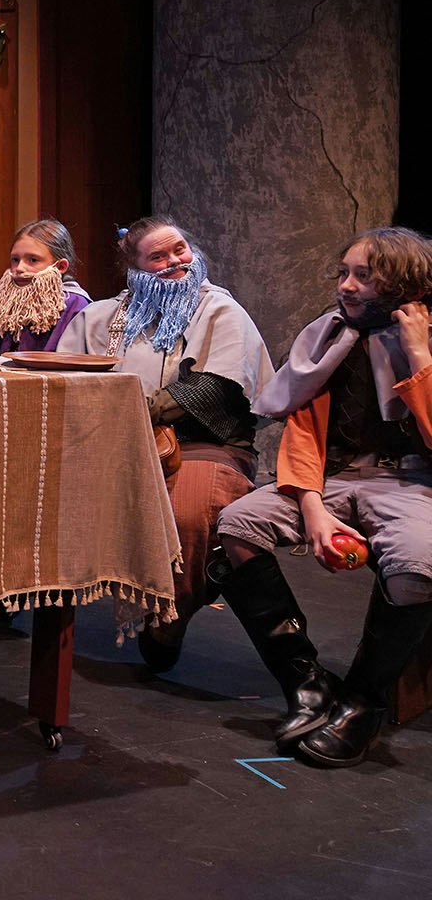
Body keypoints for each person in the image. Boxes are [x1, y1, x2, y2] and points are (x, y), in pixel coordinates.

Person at [211, 227, 432, 768]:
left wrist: (420, 355)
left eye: (364, 275)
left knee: (416, 567)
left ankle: (361, 701)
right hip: (330, 479)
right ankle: (306, 683)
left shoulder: (427, 340)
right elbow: (304, 434)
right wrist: (311, 504)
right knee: (238, 525)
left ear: (403, 282)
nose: (347, 287)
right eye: (343, 273)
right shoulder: (328, 337)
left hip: (411, 481)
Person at [57, 215, 273, 671]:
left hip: (201, 443)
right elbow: (67, 378)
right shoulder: (100, 318)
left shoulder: (218, 310)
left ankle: (168, 619)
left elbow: (215, 387)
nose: (175, 261)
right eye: (158, 256)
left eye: (180, 250)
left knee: (189, 513)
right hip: (110, 442)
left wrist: (137, 411)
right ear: (134, 268)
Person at [0, 218, 92, 352]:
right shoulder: (3, 300)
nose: (19, 268)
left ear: (60, 266)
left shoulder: (74, 303)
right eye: (15, 260)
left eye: (33, 260)